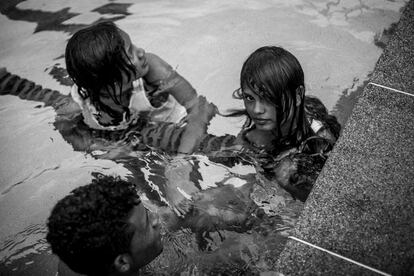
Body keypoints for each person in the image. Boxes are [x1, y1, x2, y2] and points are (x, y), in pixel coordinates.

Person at [227, 46, 341, 200]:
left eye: (268, 98)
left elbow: (329, 198)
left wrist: (284, 183)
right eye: (249, 98)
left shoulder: (319, 133)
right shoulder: (250, 136)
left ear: (298, 96)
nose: (256, 110)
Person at [66, 21, 199, 131]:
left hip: (171, 124)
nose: (141, 52)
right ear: (113, 80)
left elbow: (193, 103)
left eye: (133, 46)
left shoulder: (153, 68)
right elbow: (66, 129)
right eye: (130, 53)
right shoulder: (82, 98)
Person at [46, 175, 162, 276]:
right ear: (122, 262)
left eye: (147, 211)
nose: (156, 218)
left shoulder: (79, 257)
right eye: (148, 222)